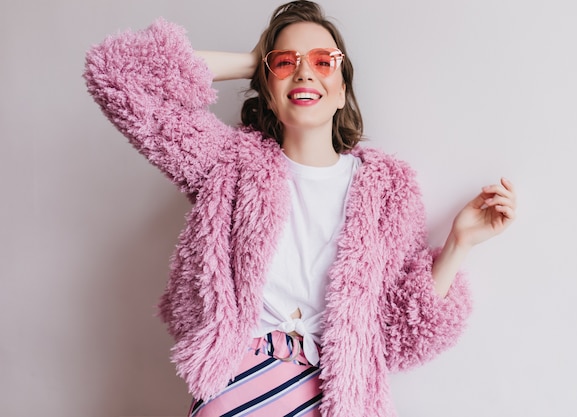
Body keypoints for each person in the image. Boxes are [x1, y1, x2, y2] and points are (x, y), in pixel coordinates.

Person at [84, 1, 516, 416]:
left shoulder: (388, 191)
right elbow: (116, 72)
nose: (305, 70)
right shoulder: (228, 164)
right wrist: (253, 60)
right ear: (267, 92)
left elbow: (401, 335)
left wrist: (459, 243)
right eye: (286, 63)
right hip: (236, 389)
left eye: (323, 61)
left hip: (337, 396)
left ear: (343, 88)